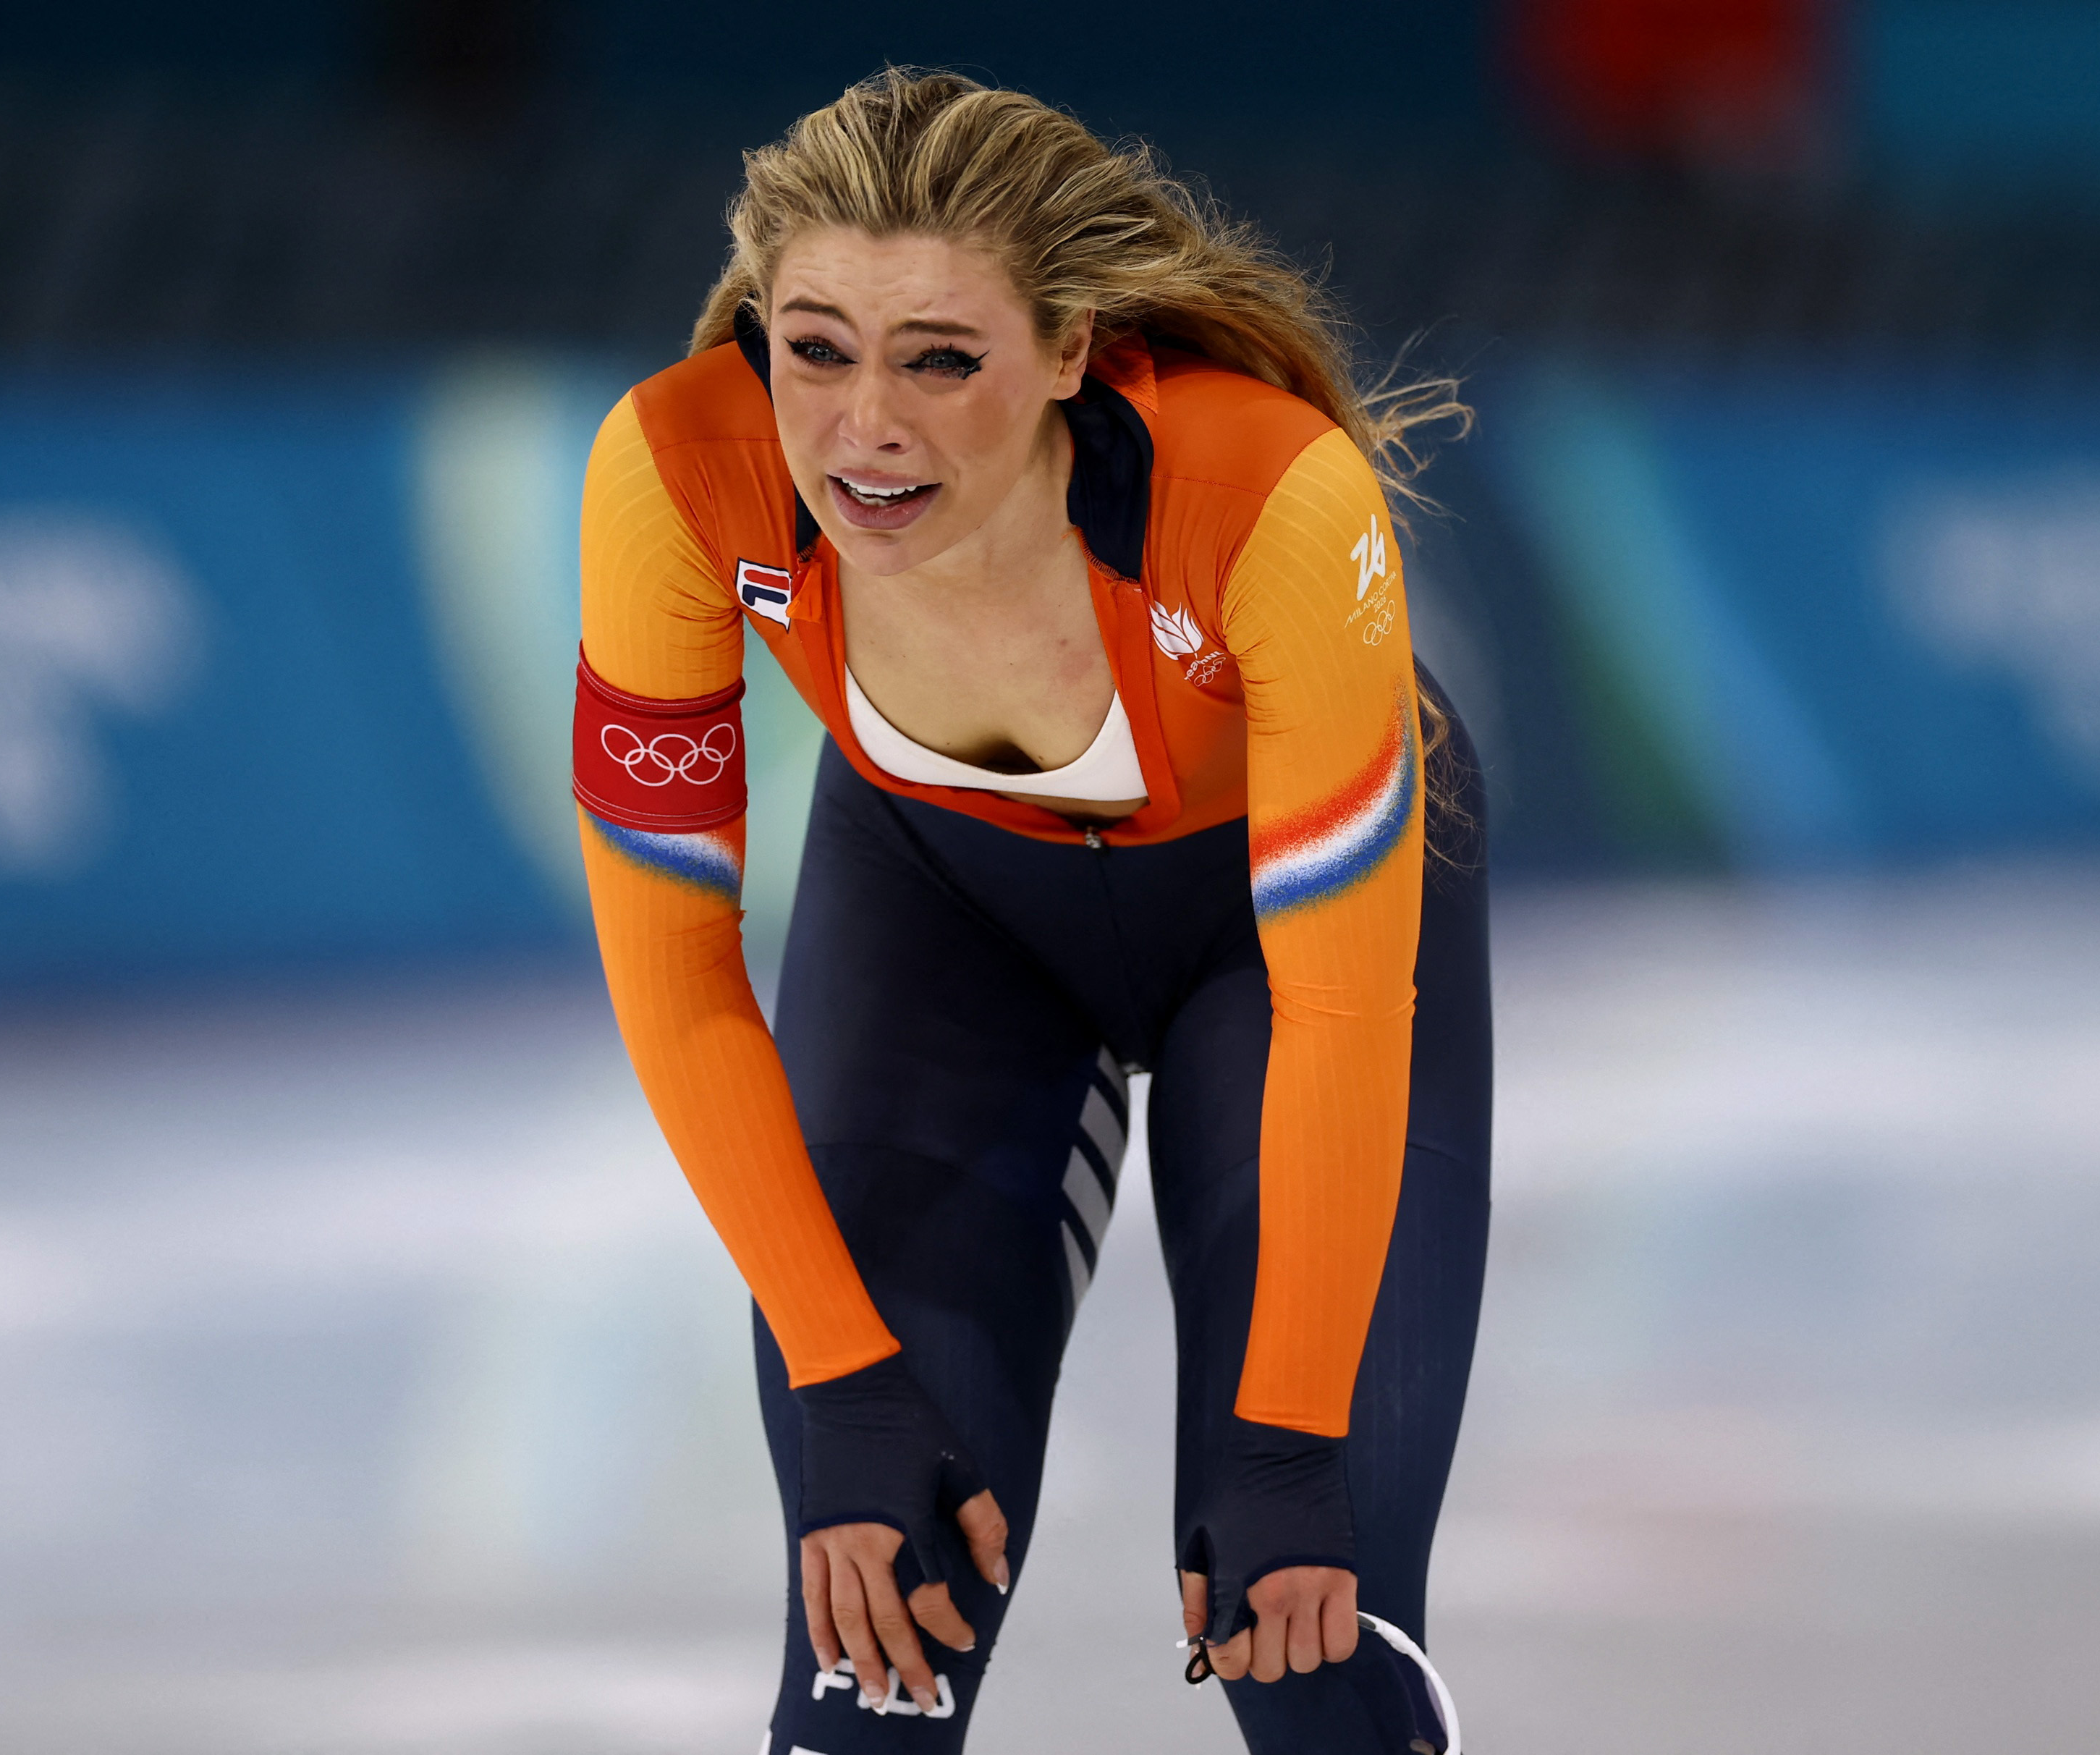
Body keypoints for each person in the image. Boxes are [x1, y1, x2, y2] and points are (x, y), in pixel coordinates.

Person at [572, 69, 1489, 1754]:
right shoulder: (672, 472)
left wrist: (1286, 1442)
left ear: (1069, 350)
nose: (867, 427)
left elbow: (1345, 1015)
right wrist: (841, 1379)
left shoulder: (1263, 497)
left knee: (1319, 1656)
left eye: (941, 357)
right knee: (869, 1658)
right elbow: (682, 977)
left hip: (1267, 952)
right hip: (946, 920)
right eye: (815, 346)